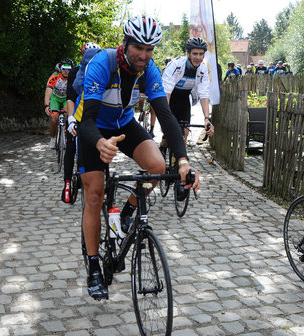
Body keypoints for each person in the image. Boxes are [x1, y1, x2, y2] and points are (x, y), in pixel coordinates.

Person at [75, 15, 200, 300]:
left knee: (157, 166)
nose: (144, 55)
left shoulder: (149, 70)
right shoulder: (101, 64)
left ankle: (129, 211)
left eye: (150, 49)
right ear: (126, 43)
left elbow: (166, 116)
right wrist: (99, 143)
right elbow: (87, 119)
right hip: (93, 128)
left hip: (123, 124)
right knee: (94, 195)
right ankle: (94, 265)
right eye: (138, 48)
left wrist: (182, 160)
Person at [61, 43, 101, 203]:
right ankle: (67, 183)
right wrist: (70, 119)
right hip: (77, 110)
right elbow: (70, 97)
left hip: (94, 112)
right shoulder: (75, 72)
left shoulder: (102, 70)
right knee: (71, 145)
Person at [161, 36, 214, 146]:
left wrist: (206, 119)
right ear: (188, 53)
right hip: (170, 96)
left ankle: (181, 159)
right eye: (195, 53)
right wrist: (164, 118)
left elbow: (204, 94)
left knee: (185, 131)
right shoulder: (175, 65)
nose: (198, 57)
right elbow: (166, 92)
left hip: (184, 98)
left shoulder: (203, 69)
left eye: (201, 54)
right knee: (168, 132)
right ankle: (164, 144)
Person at [44, 58, 74, 148]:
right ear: (60, 69)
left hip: (66, 98)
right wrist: (46, 106)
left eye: (69, 69)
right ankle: (53, 139)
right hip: (55, 98)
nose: (66, 71)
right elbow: (48, 93)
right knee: (54, 118)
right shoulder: (54, 77)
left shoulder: (73, 78)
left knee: (67, 116)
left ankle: (64, 136)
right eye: (64, 68)